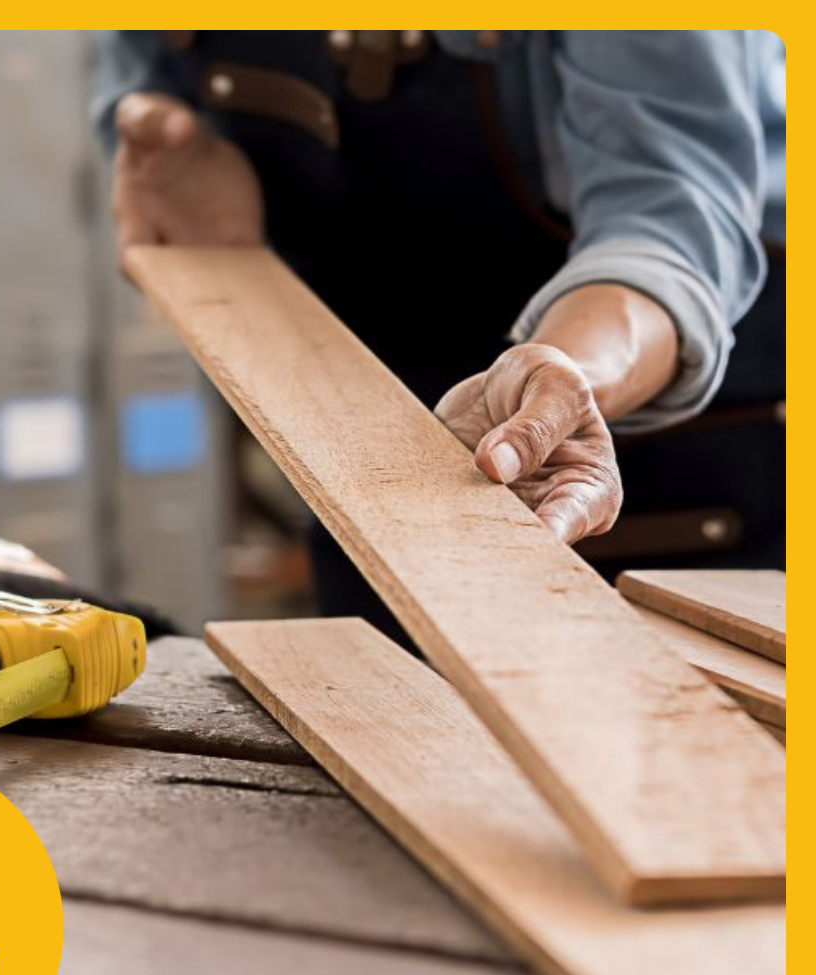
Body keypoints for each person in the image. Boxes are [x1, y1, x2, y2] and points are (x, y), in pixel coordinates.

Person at [95, 31, 785, 637]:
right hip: (375, 433)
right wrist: (166, 145)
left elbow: (666, 224)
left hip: (642, 413)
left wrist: (566, 372)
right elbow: (140, 74)